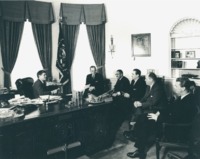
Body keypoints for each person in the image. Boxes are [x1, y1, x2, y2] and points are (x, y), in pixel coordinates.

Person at [127, 77, 197, 159]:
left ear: (183, 88)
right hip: (171, 122)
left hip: (176, 129)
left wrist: (158, 118)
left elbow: (177, 119)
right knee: (144, 117)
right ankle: (136, 136)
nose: (174, 88)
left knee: (145, 123)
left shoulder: (188, 101)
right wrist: (159, 112)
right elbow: (171, 108)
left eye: (176, 86)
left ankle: (139, 148)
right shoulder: (183, 97)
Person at [127, 72, 167, 159]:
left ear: (151, 79)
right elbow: (145, 97)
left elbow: (153, 102)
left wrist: (141, 105)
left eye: (146, 78)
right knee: (136, 110)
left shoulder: (158, 88)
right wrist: (139, 102)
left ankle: (140, 149)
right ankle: (134, 132)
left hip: (157, 110)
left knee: (141, 122)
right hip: (151, 108)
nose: (144, 80)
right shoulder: (149, 86)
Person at [123, 68, 147, 140]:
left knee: (136, 114)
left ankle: (133, 133)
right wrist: (127, 93)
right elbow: (131, 90)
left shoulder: (142, 82)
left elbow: (140, 94)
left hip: (139, 101)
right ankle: (131, 131)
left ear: (138, 75)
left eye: (133, 74)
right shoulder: (133, 81)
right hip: (132, 101)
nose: (131, 75)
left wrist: (130, 95)